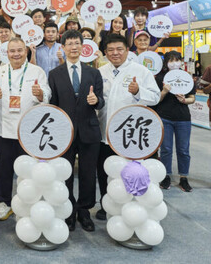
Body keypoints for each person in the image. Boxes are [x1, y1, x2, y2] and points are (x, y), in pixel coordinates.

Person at [0, 37, 51, 220]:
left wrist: (41, 94)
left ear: (26, 51)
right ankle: (3, 203)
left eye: (20, 50)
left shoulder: (37, 72)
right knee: (4, 169)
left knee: (29, 169)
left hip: (30, 130)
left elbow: (47, 93)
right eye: (12, 51)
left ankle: (27, 203)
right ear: (7, 53)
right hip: (4, 128)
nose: (16, 54)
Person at [95, 34, 160, 220]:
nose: (115, 53)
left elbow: (155, 97)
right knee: (104, 169)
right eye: (111, 50)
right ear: (105, 53)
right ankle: (105, 203)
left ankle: (130, 205)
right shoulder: (100, 72)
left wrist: (139, 91)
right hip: (104, 132)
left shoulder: (140, 71)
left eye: (119, 49)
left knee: (129, 171)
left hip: (130, 134)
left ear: (126, 51)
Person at [48, 30, 105, 232]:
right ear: (62, 48)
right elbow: (52, 105)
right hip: (64, 133)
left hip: (89, 131)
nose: (73, 47)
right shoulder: (54, 74)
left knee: (89, 174)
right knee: (65, 174)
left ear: (83, 47)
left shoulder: (94, 73)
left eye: (77, 43)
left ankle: (84, 211)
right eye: (69, 44)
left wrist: (96, 100)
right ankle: (69, 211)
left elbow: (101, 101)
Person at [155, 51, 195, 192]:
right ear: (166, 63)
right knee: (166, 149)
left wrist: (184, 100)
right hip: (164, 118)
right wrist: (165, 91)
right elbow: (156, 100)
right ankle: (165, 176)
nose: (174, 63)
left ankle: (183, 178)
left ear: (181, 62)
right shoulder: (160, 78)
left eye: (177, 60)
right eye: (171, 60)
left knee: (183, 150)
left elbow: (192, 98)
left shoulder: (187, 78)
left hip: (183, 119)